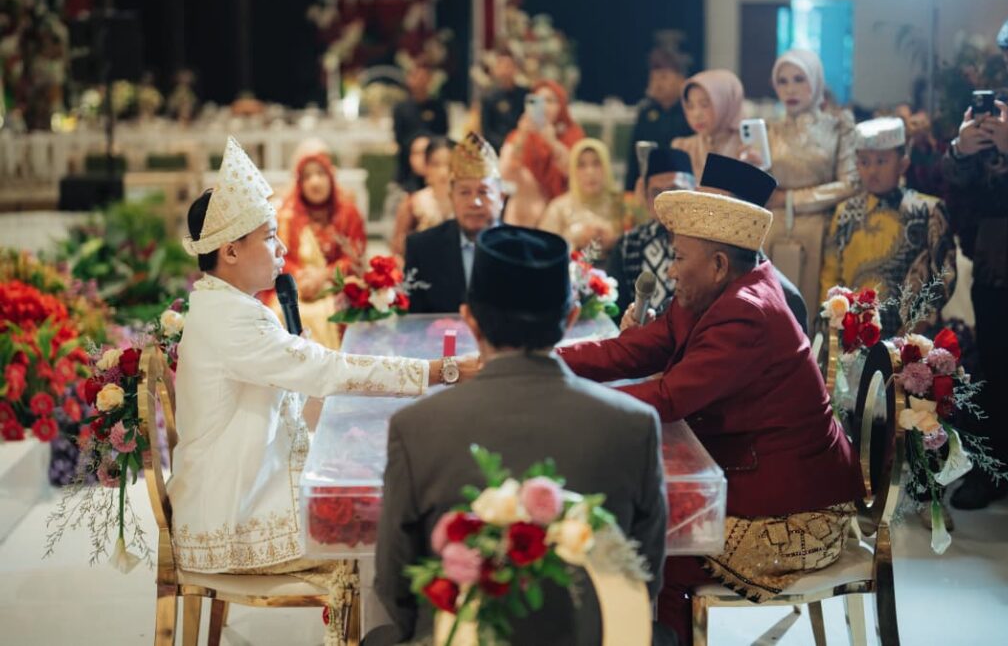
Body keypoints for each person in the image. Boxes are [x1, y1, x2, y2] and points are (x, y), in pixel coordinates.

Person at [168, 138, 475, 646]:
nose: (283, 248)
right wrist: (440, 370)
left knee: (372, 491)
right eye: (270, 237)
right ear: (230, 251)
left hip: (245, 482)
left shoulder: (227, 305)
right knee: (372, 528)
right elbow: (329, 370)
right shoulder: (232, 320)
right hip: (230, 514)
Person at [557, 190, 864, 644]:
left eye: (679, 257)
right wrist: (549, 361)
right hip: (754, 475)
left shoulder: (747, 312)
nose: (670, 270)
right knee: (638, 521)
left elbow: (668, 397)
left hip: (798, 515)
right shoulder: (711, 293)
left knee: (648, 545)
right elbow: (631, 350)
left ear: (719, 264)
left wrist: (566, 401)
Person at [374, 224, 671, 646]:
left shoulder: (416, 426)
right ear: (570, 319)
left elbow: (394, 584)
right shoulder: (634, 424)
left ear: (470, 319)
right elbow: (645, 575)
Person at [941, 8, 1008, 510]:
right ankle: (991, 471)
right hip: (994, 264)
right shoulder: (1000, 107)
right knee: (993, 369)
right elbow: (958, 185)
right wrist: (960, 149)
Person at [622, 154, 808, 334]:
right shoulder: (698, 280)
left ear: (740, 220)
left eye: (711, 209)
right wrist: (647, 328)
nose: (698, 215)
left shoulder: (785, 299)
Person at [821, 117, 956, 337]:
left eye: (882, 161)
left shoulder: (928, 210)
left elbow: (944, 275)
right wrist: (835, 324)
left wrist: (916, 325)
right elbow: (831, 274)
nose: (872, 171)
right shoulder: (844, 212)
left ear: (903, 164)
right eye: (864, 162)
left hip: (914, 338)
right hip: (854, 334)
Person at [757, 48, 859, 309]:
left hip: (823, 231)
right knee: (774, 311)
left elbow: (850, 184)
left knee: (816, 309)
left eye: (799, 79)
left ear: (816, 80)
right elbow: (762, 189)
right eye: (782, 81)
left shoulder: (838, 126)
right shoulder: (768, 129)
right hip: (773, 231)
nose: (790, 89)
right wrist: (750, 168)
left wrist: (789, 198)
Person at [273, 150, 366, 349]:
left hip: (335, 286)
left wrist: (323, 275)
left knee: (340, 310)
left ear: (330, 177)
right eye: (307, 176)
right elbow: (280, 257)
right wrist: (300, 278)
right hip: (299, 287)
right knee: (279, 311)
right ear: (300, 183)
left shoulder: (348, 213)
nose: (315, 182)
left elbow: (354, 259)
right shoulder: (287, 216)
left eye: (320, 174)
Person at [405, 132, 503, 314]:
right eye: (464, 192)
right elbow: (414, 321)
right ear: (452, 197)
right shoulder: (422, 248)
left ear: (501, 197)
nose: (474, 202)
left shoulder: (522, 250)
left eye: (483, 192)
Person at [606, 148, 696, 319]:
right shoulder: (628, 244)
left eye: (674, 190)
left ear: (694, 192)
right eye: (656, 193)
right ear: (647, 198)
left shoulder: (707, 245)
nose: (665, 201)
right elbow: (613, 309)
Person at [500, 79, 585, 227]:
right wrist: (521, 136)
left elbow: (577, 172)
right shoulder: (518, 136)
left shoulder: (573, 134)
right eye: (538, 101)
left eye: (551, 101)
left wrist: (552, 142)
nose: (545, 106)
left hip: (561, 218)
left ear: (561, 105)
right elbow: (504, 175)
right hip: (523, 219)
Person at [538, 138, 624, 258]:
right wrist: (575, 238)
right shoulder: (558, 208)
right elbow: (542, 250)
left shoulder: (622, 205)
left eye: (596, 164)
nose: (590, 172)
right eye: (581, 165)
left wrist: (615, 241)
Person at [625, 48, 694, 191]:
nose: (657, 84)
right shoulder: (646, 112)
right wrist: (629, 190)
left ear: (681, 80)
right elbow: (634, 158)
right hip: (651, 187)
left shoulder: (690, 112)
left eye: (663, 77)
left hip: (685, 185)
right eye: (653, 78)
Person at [670, 69, 744, 182]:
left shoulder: (748, 148)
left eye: (704, 105)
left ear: (727, 102)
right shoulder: (683, 148)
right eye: (689, 106)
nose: (696, 114)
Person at [389, 136, 454, 257]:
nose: (443, 172)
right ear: (426, 167)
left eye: (449, 165)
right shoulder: (414, 203)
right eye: (436, 164)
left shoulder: (467, 203)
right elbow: (397, 251)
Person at [392, 60, 448, 193]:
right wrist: (416, 152)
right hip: (406, 168)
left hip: (433, 164)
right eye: (417, 77)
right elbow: (399, 137)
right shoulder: (401, 108)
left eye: (424, 77)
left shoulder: (438, 107)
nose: (420, 81)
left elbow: (442, 134)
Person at [480, 47, 530, 150]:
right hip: (498, 147)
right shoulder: (489, 97)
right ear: (495, 69)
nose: (505, 70)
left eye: (508, 66)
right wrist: (506, 145)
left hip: (522, 145)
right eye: (501, 66)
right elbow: (486, 131)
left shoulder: (525, 94)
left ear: (515, 68)